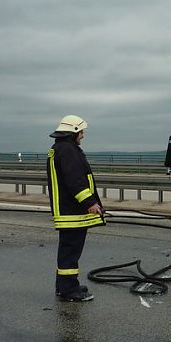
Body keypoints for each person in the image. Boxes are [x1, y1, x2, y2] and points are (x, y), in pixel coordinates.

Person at [46, 115, 105, 302]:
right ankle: (69, 290)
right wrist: (90, 203)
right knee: (70, 251)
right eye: (81, 131)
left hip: (67, 210)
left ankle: (64, 284)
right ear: (73, 132)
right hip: (72, 212)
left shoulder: (61, 149)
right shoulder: (68, 150)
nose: (83, 135)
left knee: (67, 250)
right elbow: (75, 181)